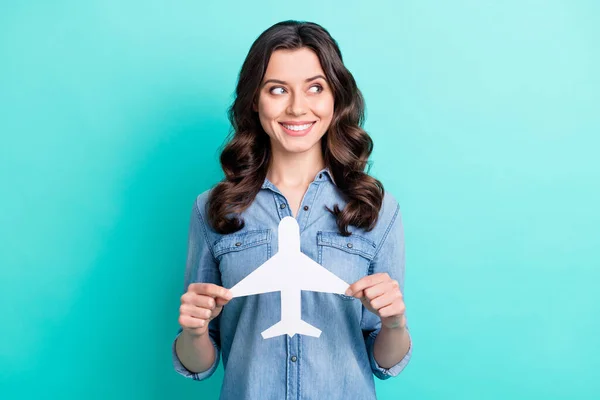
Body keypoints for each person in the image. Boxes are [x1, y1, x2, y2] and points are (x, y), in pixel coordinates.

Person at [172, 20, 413, 400]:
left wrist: (395, 324)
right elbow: (199, 363)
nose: (297, 107)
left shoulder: (376, 208)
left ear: (335, 97)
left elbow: (383, 361)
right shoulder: (213, 208)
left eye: (315, 87)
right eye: (277, 89)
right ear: (255, 100)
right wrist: (193, 332)